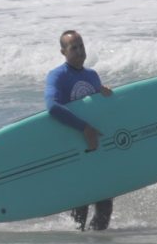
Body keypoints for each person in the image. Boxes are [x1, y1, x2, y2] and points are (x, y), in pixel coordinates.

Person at [46, 29, 117, 230]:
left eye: (81, 46)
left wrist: (103, 92)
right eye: (73, 48)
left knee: (105, 206)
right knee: (80, 209)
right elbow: (53, 107)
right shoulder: (57, 76)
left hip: (97, 149)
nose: (79, 51)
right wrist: (84, 128)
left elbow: (95, 109)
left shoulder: (92, 75)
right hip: (75, 148)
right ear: (63, 52)